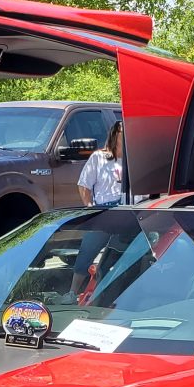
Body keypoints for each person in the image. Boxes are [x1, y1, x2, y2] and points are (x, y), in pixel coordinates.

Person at [72, 121, 125, 295]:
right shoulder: (99, 157)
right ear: (114, 134)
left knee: (125, 255)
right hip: (103, 211)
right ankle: (72, 292)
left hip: (129, 211)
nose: (125, 135)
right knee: (87, 251)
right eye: (122, 132)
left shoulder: (135, 159)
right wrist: (90, 208)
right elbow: (84, 185)